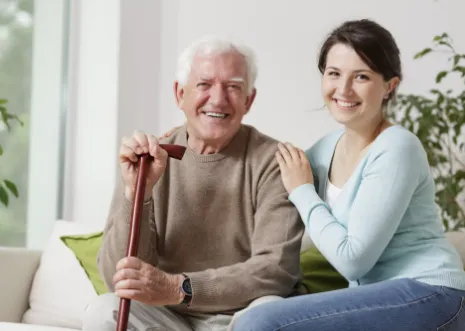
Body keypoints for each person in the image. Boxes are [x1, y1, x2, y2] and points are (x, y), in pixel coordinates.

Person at [233, 19, 465, 331]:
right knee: (263, 312)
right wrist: (183, 142)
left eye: (361, 77)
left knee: (261, 323)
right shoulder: (323, 150)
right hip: (378, 296)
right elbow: (264, 175)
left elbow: (353, 260)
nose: (343, 89)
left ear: (389, 86)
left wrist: (303, 192)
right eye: (334, 74)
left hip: (431, 293)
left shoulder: (398, 147)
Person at [82, 36, 304, 331]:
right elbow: (117, 277)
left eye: (233, 87)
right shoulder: (150, 157)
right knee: (103, 310)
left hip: (239, 317)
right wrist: (138, 191)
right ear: (180, 93)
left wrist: (181, 287)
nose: (218, 98)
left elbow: (275, 270)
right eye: (204, 84)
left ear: (249, 100)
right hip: (167, 317)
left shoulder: (275, 162)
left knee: (270, 313)